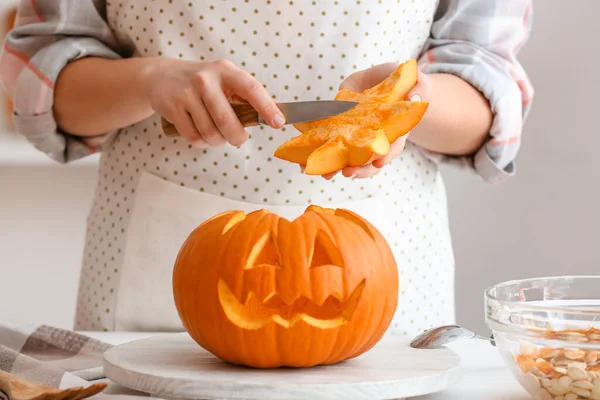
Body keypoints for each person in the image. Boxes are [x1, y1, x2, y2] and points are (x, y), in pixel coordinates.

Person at [0, 0, 533, 334]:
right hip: (151, 277)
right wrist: (149, 79)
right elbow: (46, 83)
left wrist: (413, 105)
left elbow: (488, 93)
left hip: (382, 274)